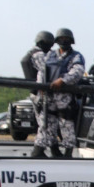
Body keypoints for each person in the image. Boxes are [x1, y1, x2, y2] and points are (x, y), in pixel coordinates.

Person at [31, 27, 86, 158]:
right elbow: (41, 70)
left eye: (66, 39)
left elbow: (77, 71)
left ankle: (68, 153)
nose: (64, 41)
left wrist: (63, 80)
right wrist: (41, 87)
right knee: (46, 125)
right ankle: (45, 151)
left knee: (66, 125)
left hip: (64, 98)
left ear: (71, 41)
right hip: (48, 97)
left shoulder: (76, 56)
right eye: (61, 39)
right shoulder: (50, 54)